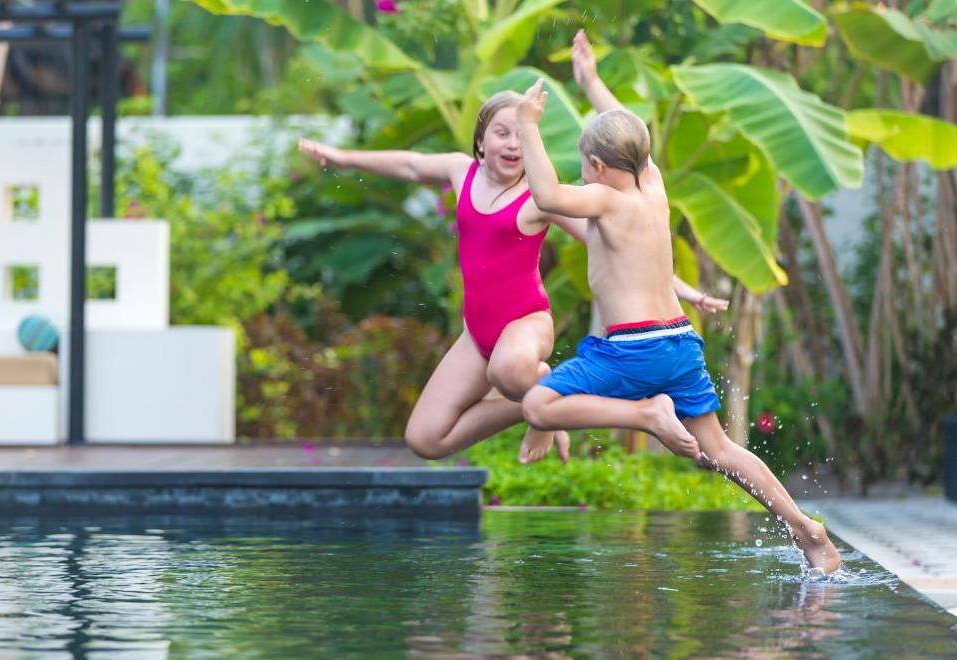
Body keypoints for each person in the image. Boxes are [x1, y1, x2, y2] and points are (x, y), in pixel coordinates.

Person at [513, 30, 841, 573]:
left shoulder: (604, 200)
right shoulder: (653, 184)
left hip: (632, 348)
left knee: (538, 407)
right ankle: (806, 529)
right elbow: (627, 131)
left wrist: (527, 124)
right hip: (677, 340)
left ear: (597, 167)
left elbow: (546, 195)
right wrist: (591, 82)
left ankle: (646, 414)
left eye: (585, 162)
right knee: (722, 449)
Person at [299, 85, 725, 466]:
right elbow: (410, 165)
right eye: (502, 132)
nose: (513, 143)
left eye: (522, 134)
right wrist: (341, 157)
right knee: (426, 439)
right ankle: (542, 406)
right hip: (477, 334)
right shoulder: (460, 171)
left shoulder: (539, 198)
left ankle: (548, 404)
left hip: (526, 324)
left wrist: (684, 290)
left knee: (507, 370)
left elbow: (623, 249)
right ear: (481, 139)